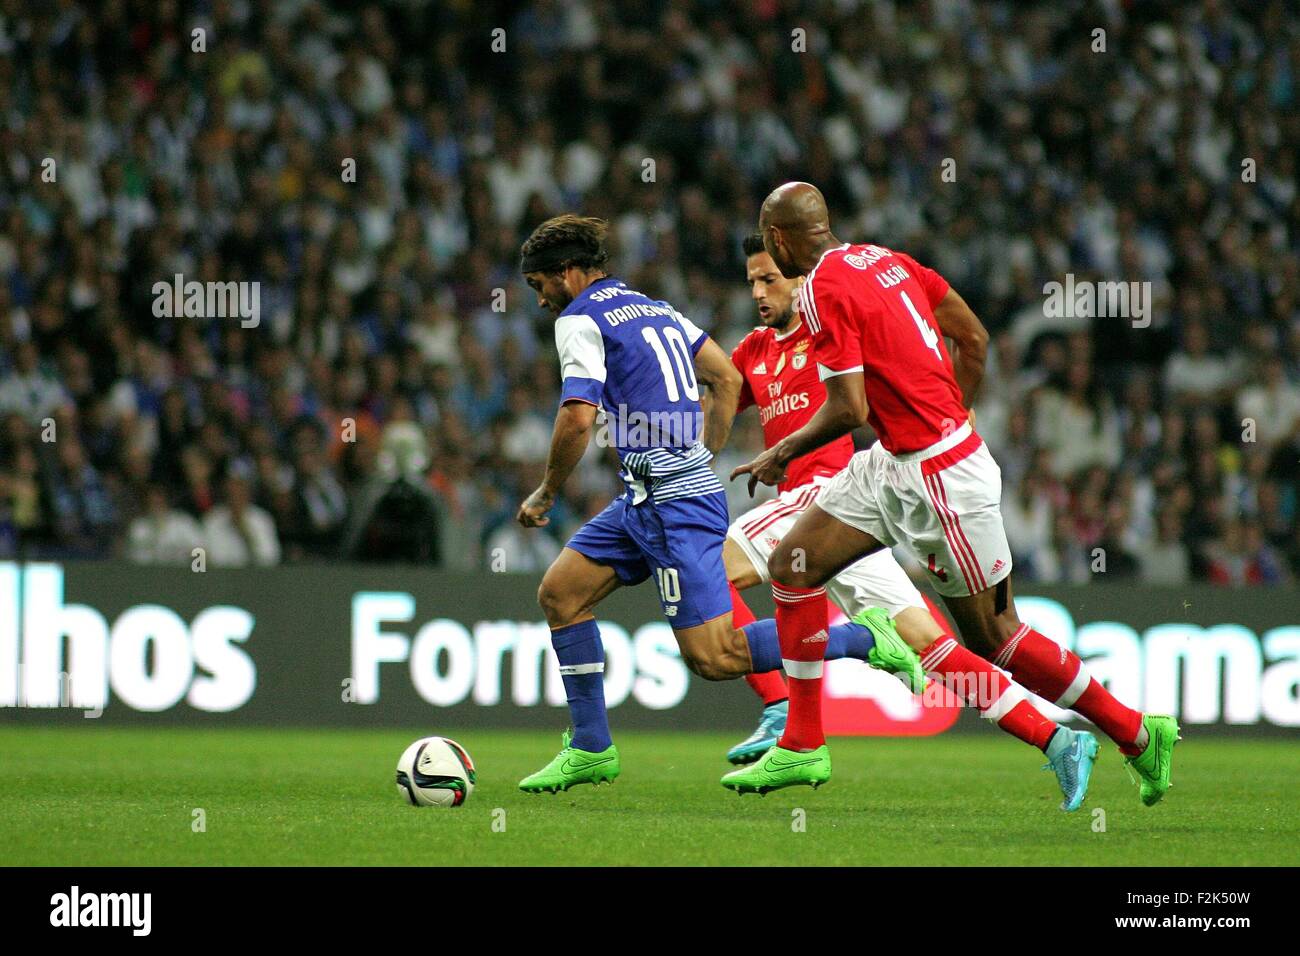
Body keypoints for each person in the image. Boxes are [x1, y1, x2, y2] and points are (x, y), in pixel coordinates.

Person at [730, 183, 1178, 806]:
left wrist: (784, 450)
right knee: (793, 566)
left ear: (778, 240)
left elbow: (849, 406)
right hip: (892, 461)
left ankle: (1134, 732)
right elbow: (975, 339)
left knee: (996, 637)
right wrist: (946, 410)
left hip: (942, 478)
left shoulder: (823, 289)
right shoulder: (889, 260)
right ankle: (802, 745)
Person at [512, 214, 922, 794]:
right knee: (561, 593)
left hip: (672, 503)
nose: (541, 298)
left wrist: (548, 489)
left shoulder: (580, 319)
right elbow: (726, 379)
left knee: (717, 657)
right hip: (647, 495)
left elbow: (579, 416)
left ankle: (864, 637)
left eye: (541, 285)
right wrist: (701, 454)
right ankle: (590, 748)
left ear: (569, 273)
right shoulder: (655, 308)